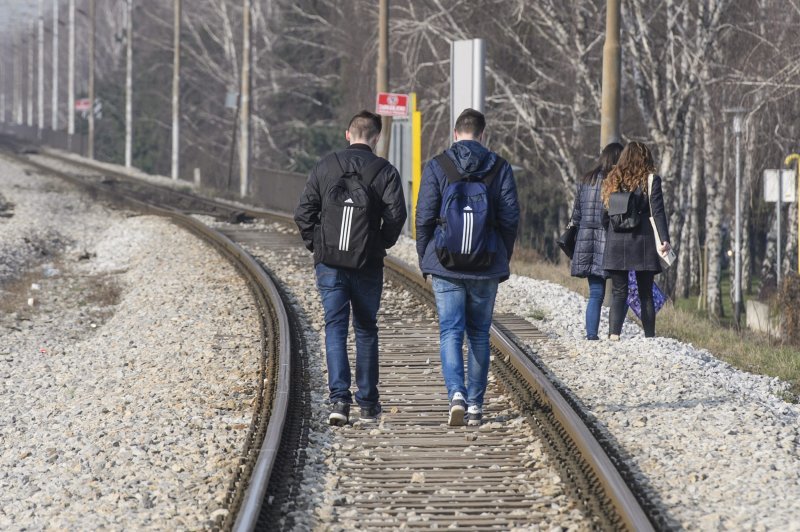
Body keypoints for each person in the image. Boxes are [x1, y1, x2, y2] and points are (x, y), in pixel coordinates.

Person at [294, 110, 407, 425]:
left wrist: (317, 245)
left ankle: (339, 402)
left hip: (330, 262)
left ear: (348, 134)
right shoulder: (385, 171)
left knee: (335, 328)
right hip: (367, 263)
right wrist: (378, 243)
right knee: (366, 329)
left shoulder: (326, 165)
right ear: (376, 137)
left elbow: (303, 212)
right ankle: (369, 405)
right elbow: (397, 216)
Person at [415, 108, 520, 427]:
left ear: (455, 132)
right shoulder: (499, 166)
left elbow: (423, 215)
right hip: (486, 263)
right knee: (478, 334)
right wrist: (501, 254)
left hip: (446, 263)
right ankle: (475, 405)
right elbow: (510, 217)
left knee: (450, 331)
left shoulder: (438, 164)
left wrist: (426, 257)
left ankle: (456, 395)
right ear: (483, 134)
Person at [601, 141, 671, 340]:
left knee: (618, 292)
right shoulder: (650, 180)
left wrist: (614, 232)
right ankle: (649, 337)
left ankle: (614, 335)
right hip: (643, 243)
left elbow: (604, 216)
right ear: (646, 158)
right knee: (645, 293)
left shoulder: (612, 179)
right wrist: (664, 239)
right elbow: (658, 213)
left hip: (616, 243)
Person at [569, 143, 624, 340]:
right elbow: (616, 216)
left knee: (595, 293)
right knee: (620, 290)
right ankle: (614, 333)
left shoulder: (586, 179)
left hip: (585, 237)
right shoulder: (614, 182)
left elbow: (576, 214)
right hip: (605, 239)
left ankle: (591, 335)